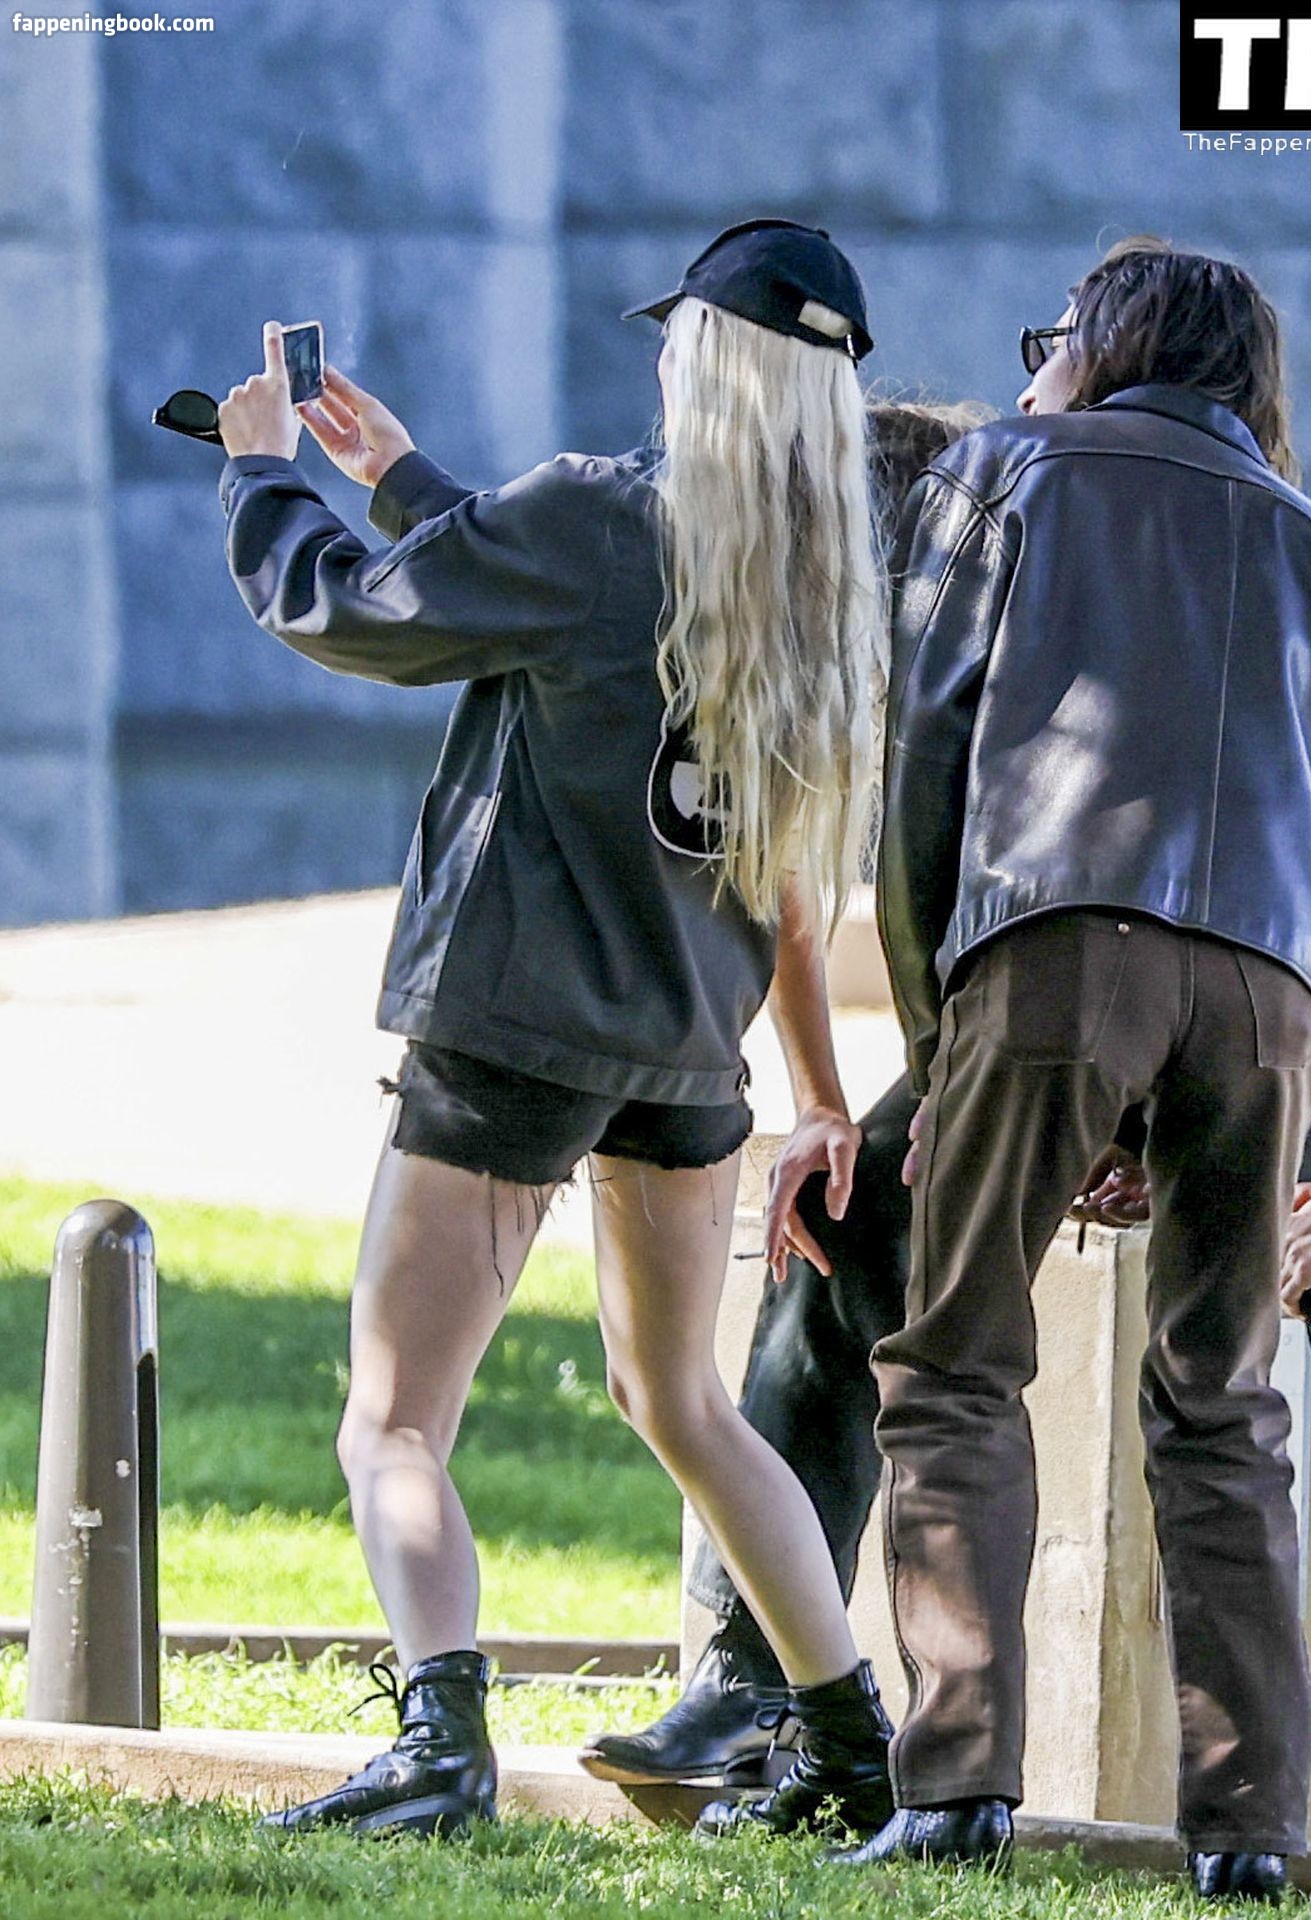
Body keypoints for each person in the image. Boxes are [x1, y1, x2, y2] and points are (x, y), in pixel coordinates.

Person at [585, 364, 1311, 1816]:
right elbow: (796, 878)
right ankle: (762, 1679)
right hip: (1134, 991)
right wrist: (839, 1102)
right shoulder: (986, 565)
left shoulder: (1038, 548)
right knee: (854, 1228)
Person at [212, 218, 899, 1842]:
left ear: (700, 363)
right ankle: (848, 1743)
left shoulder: (598, 513)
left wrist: (257, 477)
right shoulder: (824, 593)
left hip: (512, 1033)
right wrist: (403, 479)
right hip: (685, 1055)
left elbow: (357, 616)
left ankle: (439, 1745)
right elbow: (586, 636)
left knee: (394, 1416)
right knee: (684, 1405)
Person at [817, 238, 1311, 1901]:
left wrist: (947, 1047)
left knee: (952, 1359)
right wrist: (1290, 1055)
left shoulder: (1002, 475)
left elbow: (925, 768)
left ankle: (955, 1784)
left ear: (1104, 340)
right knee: (1222, 1405)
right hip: (1274, 996)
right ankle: (1251, 1833)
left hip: (1047, 945)